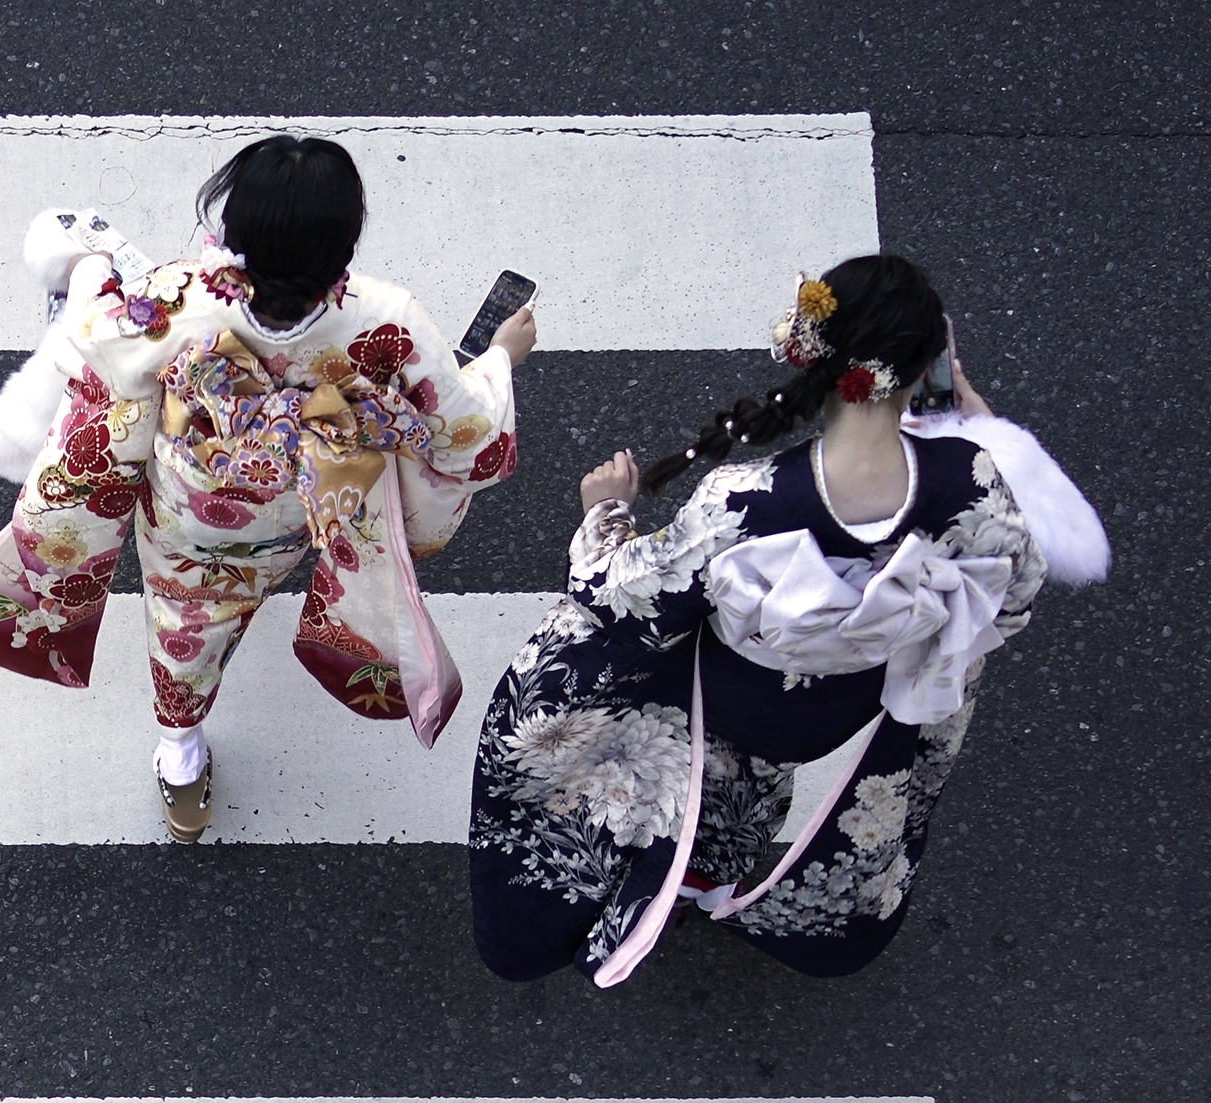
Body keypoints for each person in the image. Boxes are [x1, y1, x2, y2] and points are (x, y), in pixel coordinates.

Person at [467, 251, 1101, 985]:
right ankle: (712, 876)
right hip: (841, 705)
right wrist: (983, 442)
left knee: (568, 682)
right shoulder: (979, 489)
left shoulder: (746, 499)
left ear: (813, 363)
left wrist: (605, 511)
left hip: (733, 690)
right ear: (927, 372)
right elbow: (1011, 601)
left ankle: (619, 879)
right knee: (758, 777)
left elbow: (621, 594)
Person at [0, 135, 535, 841]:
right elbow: (470, 441)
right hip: (306, 501)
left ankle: (180, 762)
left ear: (234, 229)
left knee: (185, 623)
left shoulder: (184, 297)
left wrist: (89, 268)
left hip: (191, 507)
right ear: (343, 242)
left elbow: (98, 343)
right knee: (275, 574)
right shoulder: (388, 317)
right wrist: (500, 361)